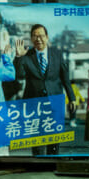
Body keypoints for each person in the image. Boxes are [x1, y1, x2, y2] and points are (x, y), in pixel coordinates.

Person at [14, 23, 75, 155]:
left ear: (47, 37)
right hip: (34, 103)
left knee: (54, 138)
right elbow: (19, 75)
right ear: (31, 39)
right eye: (35, 36)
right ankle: (38, 163)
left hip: (55, 100)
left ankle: (52, 161)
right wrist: (19, 57)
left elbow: (65, 79)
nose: (38, 39)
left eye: (41, 36)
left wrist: (72, 98)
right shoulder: (27, 55)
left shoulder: (57, 54)